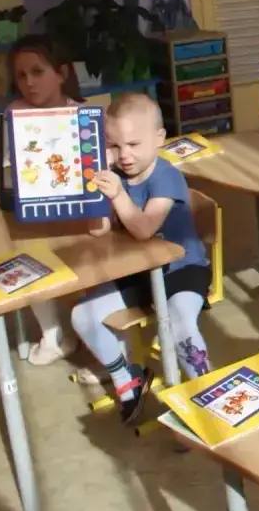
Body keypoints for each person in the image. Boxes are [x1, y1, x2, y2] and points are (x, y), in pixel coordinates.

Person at [70, 94, 213, 425]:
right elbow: (98, 231)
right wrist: (93, 193)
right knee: (83, 315)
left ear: (159, 139)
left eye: (134, 144)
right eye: (115, 145)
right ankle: (127, 379)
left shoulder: (166, 175)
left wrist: (118, 195)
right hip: (139, 275)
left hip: (181, 271)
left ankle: (205, 395)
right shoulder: (116, 174)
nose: (125, 155)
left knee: (180, 325)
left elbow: (145, 228)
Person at [0, 35, 85, 366]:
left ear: (61, 73)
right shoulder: (14, 114)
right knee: (26, 252)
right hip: (33, 207)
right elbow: (9, 168)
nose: (29, 83)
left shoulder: (81, 113)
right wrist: (3, 192)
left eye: (37, 71)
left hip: (76, 208)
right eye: (21, 76)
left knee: (84, 257)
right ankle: (53, 334)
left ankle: (88, 325)